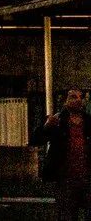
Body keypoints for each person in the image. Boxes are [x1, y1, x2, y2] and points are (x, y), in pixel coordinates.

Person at [38, 87, 90, 220]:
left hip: (87, 177)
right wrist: (46, 127)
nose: (78, 100)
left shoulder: (88, 121)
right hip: (66, 178)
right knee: (67, 214)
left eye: (81, 97)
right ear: (65, 101)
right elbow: (37, 139)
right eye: (73, 96)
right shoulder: (57, 120)